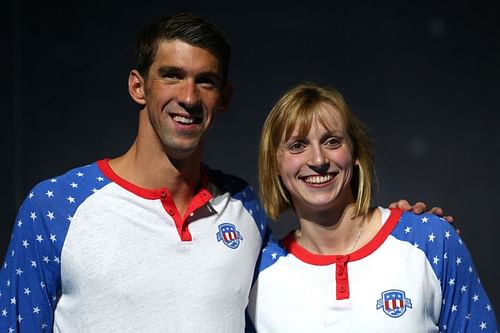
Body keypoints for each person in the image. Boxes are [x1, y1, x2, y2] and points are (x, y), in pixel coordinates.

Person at [0, 13, 450, 332]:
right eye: (172, 76)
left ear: (225, 97)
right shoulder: (57, 207)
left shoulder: (245, 209)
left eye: (206, 81)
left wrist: (400, 234)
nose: (189, 97)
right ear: (138, 86)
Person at [247, 82, 497, 332]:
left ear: (355, 153)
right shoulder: (257, 274)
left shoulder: (427, 241)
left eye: (332, 142)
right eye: (297, 146)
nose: (319, 160)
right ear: (274, 164)